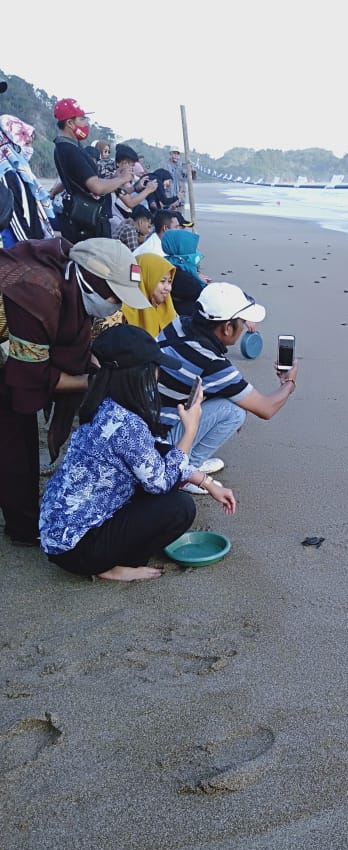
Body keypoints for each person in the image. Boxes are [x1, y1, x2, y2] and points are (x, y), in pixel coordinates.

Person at [39, 324, 236, 582]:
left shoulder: (105, 405)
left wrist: (207, 483)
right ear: (137, 374)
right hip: (78, 549)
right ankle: (110, 566)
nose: (157, 375)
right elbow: (162, 482)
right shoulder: (126, 424)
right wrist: (191, 429)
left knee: (160, 480)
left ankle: (106, 557)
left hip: (57, 530)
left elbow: (156, 451)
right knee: (179, 507)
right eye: (154, 368)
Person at [0, 237, 150, 545]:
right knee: (14, 437)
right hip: (11, 349)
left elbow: (78, 346)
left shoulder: (73, 279)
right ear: (92, 280)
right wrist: (98, 381)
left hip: (17, 346)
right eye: (115, 296)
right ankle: (24, 528)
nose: (117, 304)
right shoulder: (37, 295)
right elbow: (31, 376)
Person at [156, 282, 298, 491]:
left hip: (146, 421)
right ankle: (186, 470)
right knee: (235, 411)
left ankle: (187, 461)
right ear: (227, 327)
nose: (244, 326)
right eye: (241, 321)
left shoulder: (178, 325)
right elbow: (266, 408)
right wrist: (289, 382)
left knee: (231, 399)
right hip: (159, 440)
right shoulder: (212, 362)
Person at [51, 98, 134, 241]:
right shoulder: (70, 150)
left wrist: (113, 178)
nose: (85, 124)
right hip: (87, 222)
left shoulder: (67, 146)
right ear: (70, 123)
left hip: (82, 218)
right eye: (82, 119)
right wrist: (122, 179)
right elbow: (96, 187)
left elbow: (81, 181)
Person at [0, 114, 56, 244]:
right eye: (26, 143)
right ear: (10, 144)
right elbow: (15, 220)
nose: (29, 149)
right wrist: (31, 249)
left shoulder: (21, 172)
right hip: (16, 249)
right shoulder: (6, 175)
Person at [122, 253, 177, 337]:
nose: (168, 288)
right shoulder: (121, 315)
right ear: (144, 280)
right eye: (162, 281)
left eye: (169, 281)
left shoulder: (168, 309)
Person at [161, 227, 208, 316]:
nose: (195, 251)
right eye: (192, 247)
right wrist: (200, 281)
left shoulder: (167, 263)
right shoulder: (182, 276)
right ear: (181, 247)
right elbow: (203, 295)